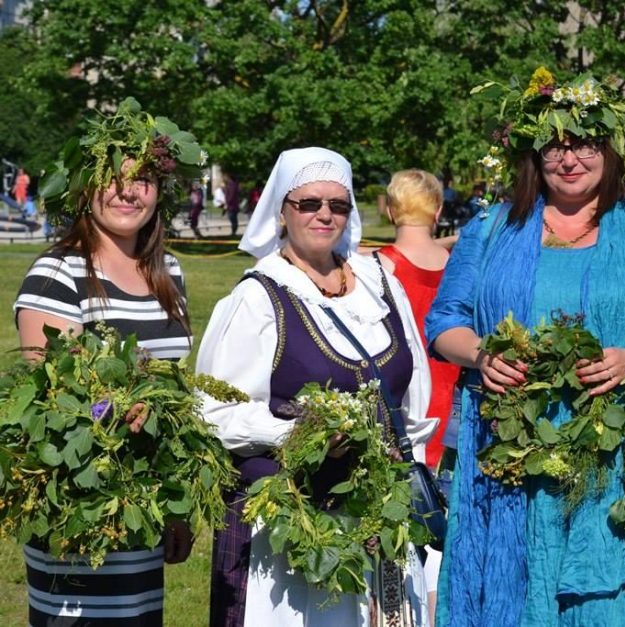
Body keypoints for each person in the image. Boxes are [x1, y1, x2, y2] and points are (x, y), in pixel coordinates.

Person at [427, 67, 625, 626]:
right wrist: (482, 355)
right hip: (504, 456)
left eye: (584, 145)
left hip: (614, 457)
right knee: (508, 591)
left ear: (610, 150)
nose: (569, 159)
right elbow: (443, 322)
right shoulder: (490, 229)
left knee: (608, 605)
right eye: (555, 147)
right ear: (534, 155)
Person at [196, 147, 436, 627]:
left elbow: (413, 401)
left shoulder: (381, 284)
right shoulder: (259, 297)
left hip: (380, 513)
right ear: (282, 211)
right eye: (308, 203)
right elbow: (214, 411)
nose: (325, 214)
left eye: (338, 204)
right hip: (294, 519)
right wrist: (305, 435)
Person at [13, 97, 203, 626]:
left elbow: (175, 397)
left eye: (143, 178)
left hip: (143, 508)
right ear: (84, 188)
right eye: (112, 177)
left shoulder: (170, 274)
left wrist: (178, 505)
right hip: (84, 506)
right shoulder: (58, 274)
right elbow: (53, 403)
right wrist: (117, 409)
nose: (128, 191)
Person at [376, 169, 463, 625]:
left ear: (389, 209)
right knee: (444, 514)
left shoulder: (377, 267)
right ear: (440, 209)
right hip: (454, 398)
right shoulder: (460, 266)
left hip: (407, 401)